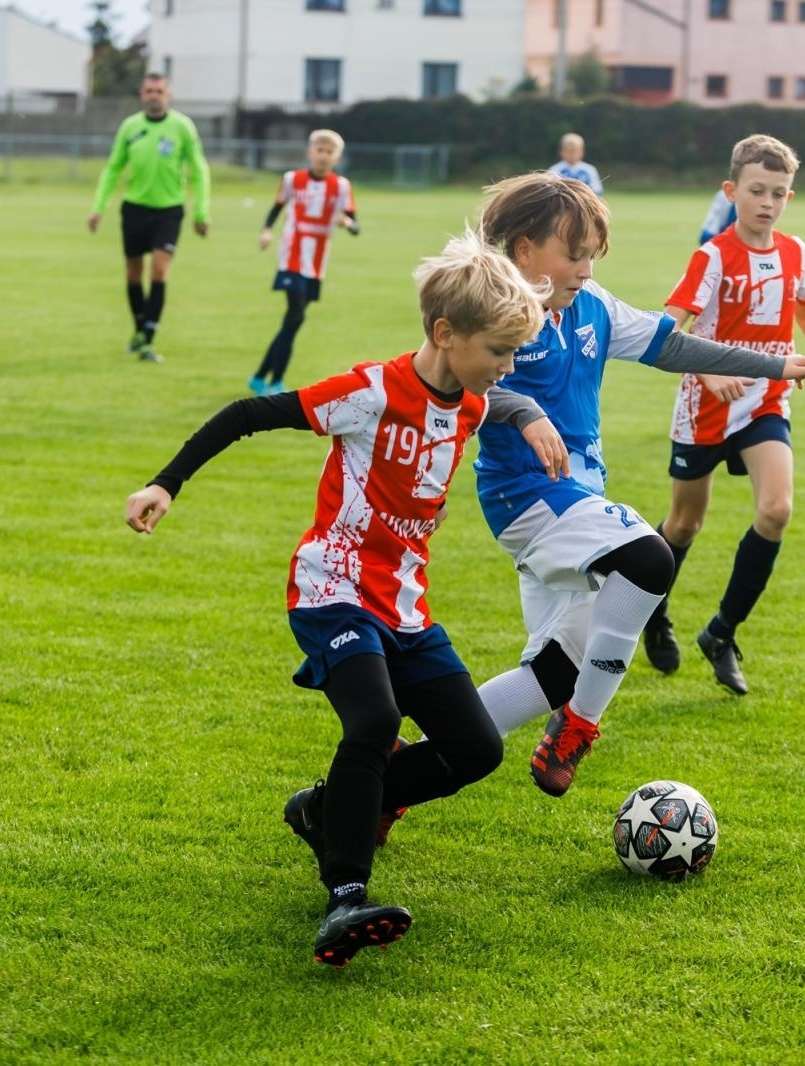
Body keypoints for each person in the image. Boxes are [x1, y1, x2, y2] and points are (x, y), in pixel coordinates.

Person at [123, 230, 568, 968]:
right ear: (444, 333)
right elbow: (246, 415)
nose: (507, 366)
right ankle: (345, 896)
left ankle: (327, 810)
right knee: (375, 719)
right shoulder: (372, 392)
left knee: (476, 748)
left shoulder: (471, 401)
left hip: (405, 606)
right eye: (498, 351)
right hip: (332, 587)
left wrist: (527, 412)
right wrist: (164, 483)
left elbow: (503, 400)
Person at [462, 173, 805, 798]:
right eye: (572, 253)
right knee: (648, 556)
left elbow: (673, 345)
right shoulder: (490, 308)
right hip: (525, 496)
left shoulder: (594, 307)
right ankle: (578, 727)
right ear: (523, 250)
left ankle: (396, 775)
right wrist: (523, 412)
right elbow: (452, 382)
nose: (584, 267)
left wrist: (773, 364)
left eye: (591, 256)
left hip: (577, 499)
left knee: (553, 671)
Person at [640, 135, 805, 694]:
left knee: (776, 510)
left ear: (791, 197)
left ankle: (721, 632)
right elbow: (670, 325)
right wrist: (708, 371)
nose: (768, 202)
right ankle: (651, 609)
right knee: (685, 524)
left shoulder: (795, 253)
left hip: (766, 400)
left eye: (780, 193)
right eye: (757, 191)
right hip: (705, 407)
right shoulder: (714, 255)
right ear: (731, 191)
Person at [88, 72, 211, 365]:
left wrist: (201, 211)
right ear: (142, 95)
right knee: (133, 274)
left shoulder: (182, 127)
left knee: (158, 270)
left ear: (168, 95)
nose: (154, 95)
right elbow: (113, 168)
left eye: (159, 90)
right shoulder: (131, 127)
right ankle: (139, 329)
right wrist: (98, 207)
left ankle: (148, 340)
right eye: (149, 91)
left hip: (169, 210)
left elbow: (198, 169)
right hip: (134, 208)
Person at [250, 129, 360, 395]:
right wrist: (266, 231)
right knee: (295, 315)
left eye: (329, 152)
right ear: (310, 152)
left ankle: (258, 376)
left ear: (337, 157)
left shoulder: (341, 186)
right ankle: (276, 382)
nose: (323, 156)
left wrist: (347, 223)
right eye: (319, 150)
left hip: (317, 261)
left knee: (293, 321)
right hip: (292, 255)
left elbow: (356, 225)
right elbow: (276, 208)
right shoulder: (292, 180)